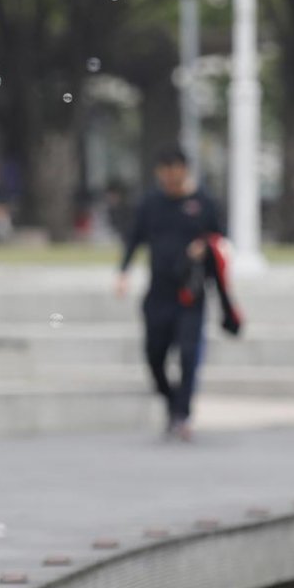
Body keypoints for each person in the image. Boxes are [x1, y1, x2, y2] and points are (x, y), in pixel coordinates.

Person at [116, 147, 225, 441]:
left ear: (186, 170)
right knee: (154, 355)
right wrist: (123, 273)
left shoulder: (203, 202)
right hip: (158, 293)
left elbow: (219, 239)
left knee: (189, 355)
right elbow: (134, 239)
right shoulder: (150, 203)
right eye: (166, 172)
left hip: (190, 294)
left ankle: (183, 414)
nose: (171, 178)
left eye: (176, 171)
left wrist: (203, 248)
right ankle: (172, 402)